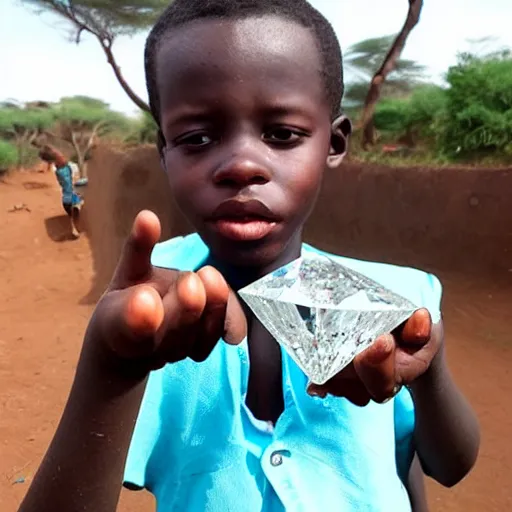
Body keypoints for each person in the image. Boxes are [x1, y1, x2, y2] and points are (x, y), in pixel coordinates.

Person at [19, 1, 480, 511]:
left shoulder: (400, 300)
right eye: (197, 138)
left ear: (335, 141)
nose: (241, 165)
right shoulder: (152, 313)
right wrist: (111, 370)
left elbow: (448, 465)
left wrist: (429, 371)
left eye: (281, 134)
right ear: (164, 151)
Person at [38, 145, 83, 239]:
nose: (61, 155)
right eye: (58, 156)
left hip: (70, 191)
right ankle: (76, 219)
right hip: (71, 192)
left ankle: (76, 217)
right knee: (73, 198)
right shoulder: (62, 170)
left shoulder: (63, 166)